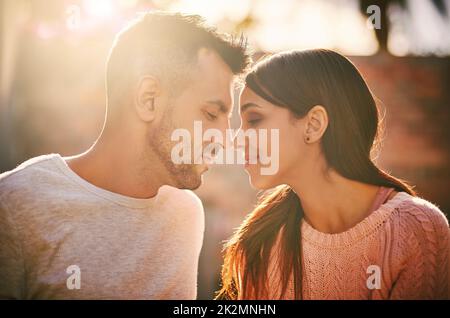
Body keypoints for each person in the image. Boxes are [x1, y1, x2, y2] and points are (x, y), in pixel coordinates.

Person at [0, 12, 250, 299]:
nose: (224, 138)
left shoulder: (184, 214)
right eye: (210, 114)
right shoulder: (17, 205)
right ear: (149, 99)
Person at [218, 49, 449, 300]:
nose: (237, 141)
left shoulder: (415, 229)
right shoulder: (259, 245)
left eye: (254, 119)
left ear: (313, 124)